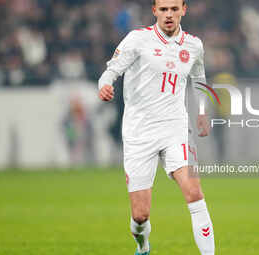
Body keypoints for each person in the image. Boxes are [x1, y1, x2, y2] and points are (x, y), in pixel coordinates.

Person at [98, 0, 215, 254]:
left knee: (194, 192)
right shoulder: (137, 40)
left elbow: (199, 79)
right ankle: (143, 246)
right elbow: (111, 70)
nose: (169, 15)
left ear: (184, 9)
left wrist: (203, 112)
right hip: (139, 132)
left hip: (175, 128)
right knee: (140, 215)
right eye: (163, 9)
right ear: (154, 12)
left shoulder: (194, 45)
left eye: (174, 9)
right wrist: (104, 85)